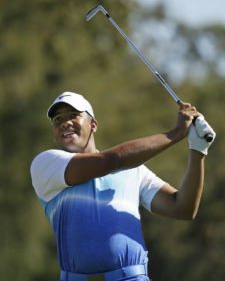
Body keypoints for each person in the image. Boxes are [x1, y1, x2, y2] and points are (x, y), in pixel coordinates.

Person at [30, 91, 215, 281]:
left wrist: (198, 149)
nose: (64, 122)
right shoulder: (45, 164)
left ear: (93, 124)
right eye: (57, 119)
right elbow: (109, 161)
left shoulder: (133, 170)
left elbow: (182, 208)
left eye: (73, 115)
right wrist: (176, 133)